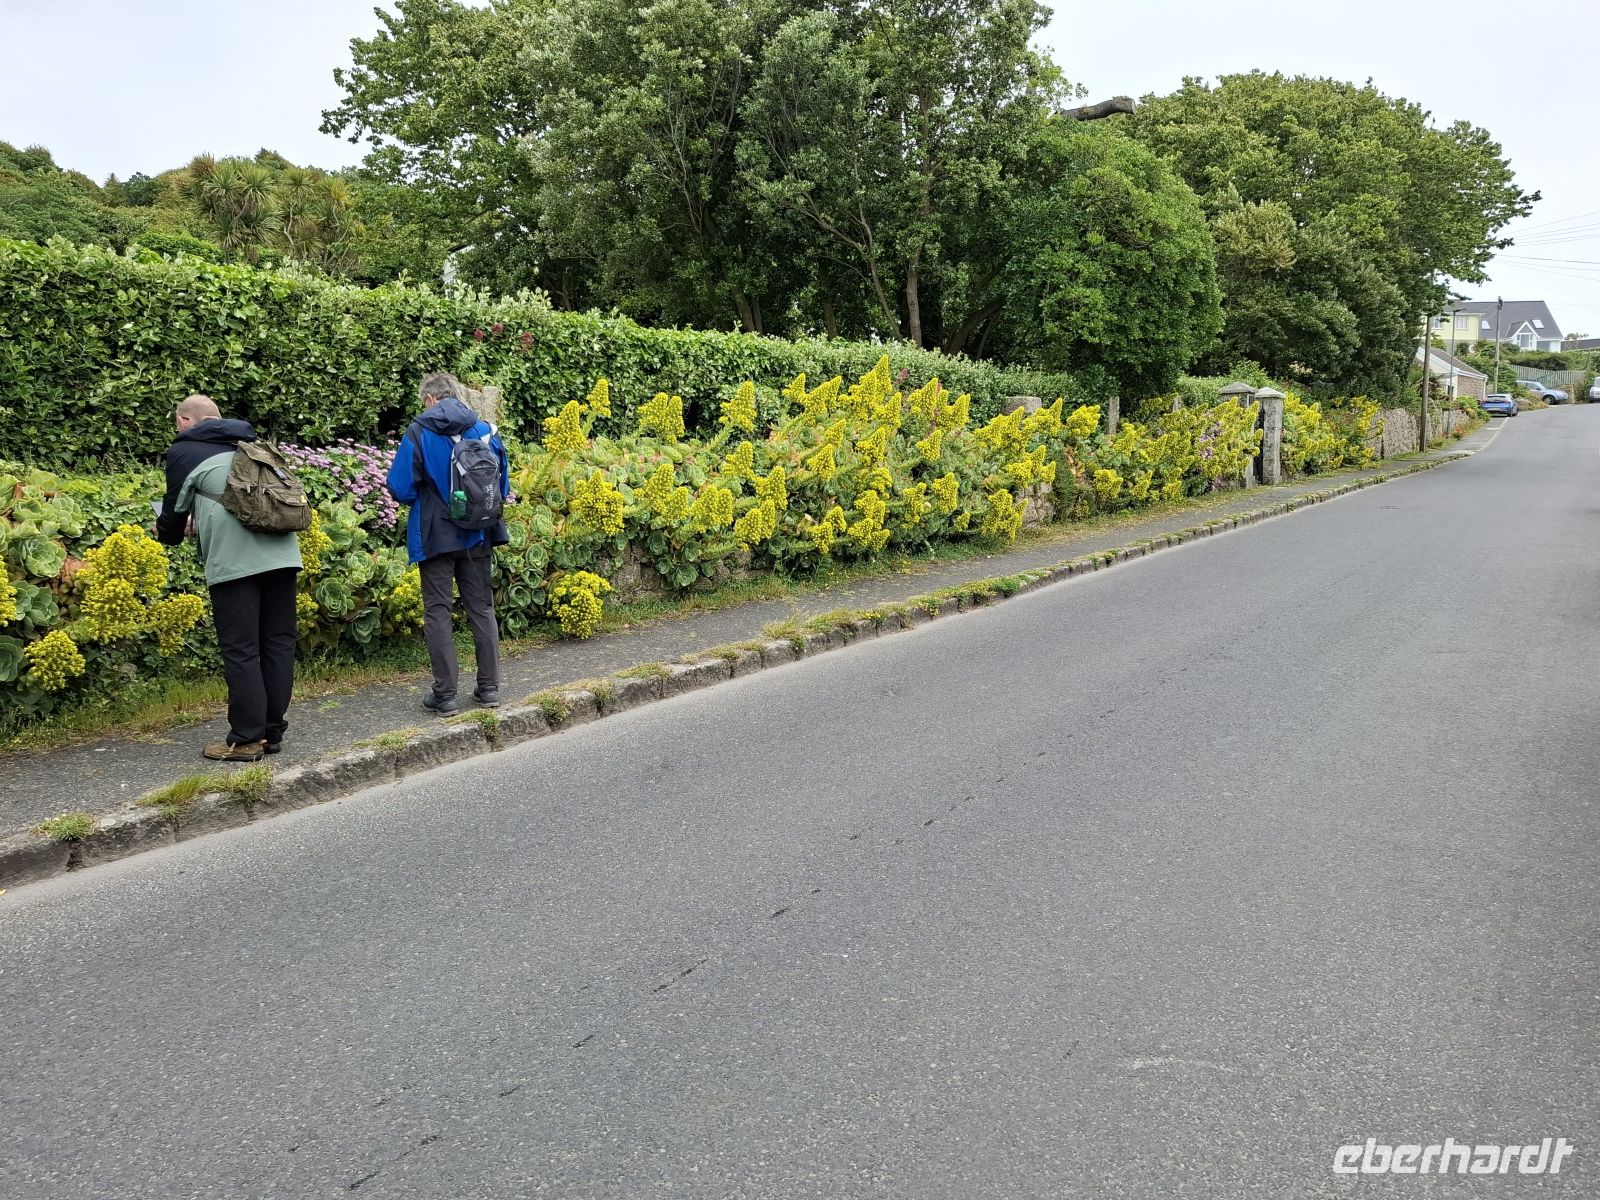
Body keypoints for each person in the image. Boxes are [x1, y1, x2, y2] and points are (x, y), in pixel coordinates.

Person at [155, 394, 302, 762]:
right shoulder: (252, 445)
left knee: (242, 650)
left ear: (185, 421)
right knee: (278, 644)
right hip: (284, 555)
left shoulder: (184, 451)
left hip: (235, 563)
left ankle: (246, 739)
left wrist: (171, 530)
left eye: (178, 422)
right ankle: (271, 732)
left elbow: (171, 521)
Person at [385, 372, 509, 715]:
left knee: (438, 611)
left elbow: (400, 487)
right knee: (481, 608)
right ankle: (489, 689)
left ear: (430, 399)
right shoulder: (485, 430)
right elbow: (501, 487)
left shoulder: (419, 431)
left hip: (435, 534)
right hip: (479, 532)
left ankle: (446, 695)